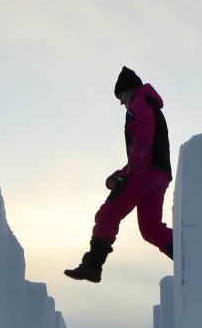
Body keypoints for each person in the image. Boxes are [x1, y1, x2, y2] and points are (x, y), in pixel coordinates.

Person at [64, 66, 174, 283]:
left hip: (145, 168)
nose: (121, 102)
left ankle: (92, 265)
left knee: (108, 213)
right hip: (159, 174)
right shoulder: (149, 102)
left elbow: (145, 128)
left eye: (121, 96)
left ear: (128, 91)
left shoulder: (139, 101)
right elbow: (146, 143)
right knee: (151, 229)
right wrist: (122, 172)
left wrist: (138, 155)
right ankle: (189, 255)